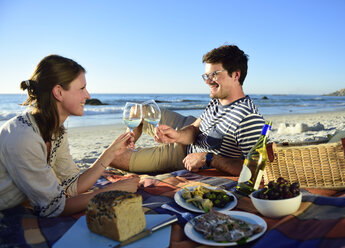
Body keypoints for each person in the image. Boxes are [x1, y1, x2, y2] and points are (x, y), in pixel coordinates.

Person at [0, 55, 139, 218]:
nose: (87, 95)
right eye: (82, 88)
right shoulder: (23, 137)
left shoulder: (55, 131)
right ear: (59, 92)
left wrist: (111, 152)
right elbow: (55, 207)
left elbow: (71, 186)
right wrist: (114, 190)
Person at [111, 45, 265, 176]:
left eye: (214, 74)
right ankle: (130, 147)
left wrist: (209, 158)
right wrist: (176, 135)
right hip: (189, 131)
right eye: (206, 75)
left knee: (113, 157)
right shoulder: (218, 100)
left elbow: (256, 168)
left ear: (236, 75)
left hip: (184, 155)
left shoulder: (248, 118)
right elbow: (195, 128)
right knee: (139, 110)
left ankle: (132, 157)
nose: (207, 81)